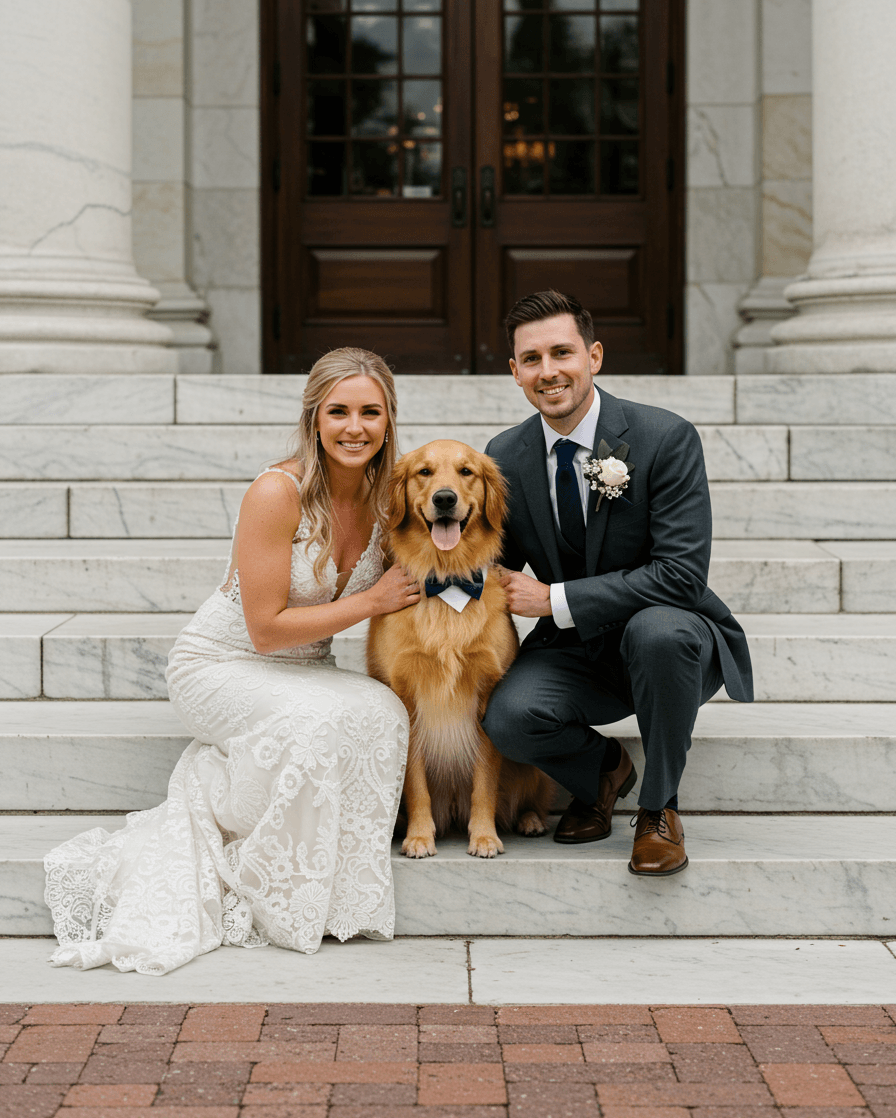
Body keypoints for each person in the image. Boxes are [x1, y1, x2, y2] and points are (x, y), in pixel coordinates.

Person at [44, 348, 419, 975]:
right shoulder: (278, 492)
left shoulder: (390, 500)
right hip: (222, 663)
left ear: (388, 420)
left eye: (370, 413)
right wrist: (373, 601)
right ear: (314, 418)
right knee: (318, 725)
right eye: (339, 412)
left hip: (306, 670)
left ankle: (340, 891)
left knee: (382, 712)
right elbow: (265, 629)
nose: (355, 427)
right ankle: (263, 868)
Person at [482, 290, 752, 875]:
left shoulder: (665, 438)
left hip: (671, 638)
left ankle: (659, 810)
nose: (548, 372)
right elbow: (485, 561)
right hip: (577, 652)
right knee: (508, 718)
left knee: (657, 633)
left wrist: (552, 599)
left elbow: (681, 574)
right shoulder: (504, 456)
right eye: (531, 359)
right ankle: (605, 771)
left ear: (594, 356)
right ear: (514, 371)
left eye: (562, 353)